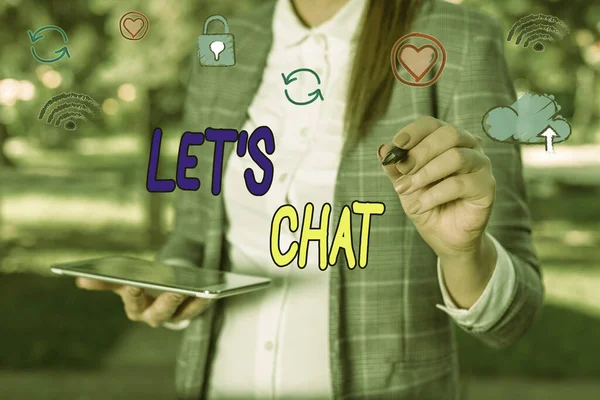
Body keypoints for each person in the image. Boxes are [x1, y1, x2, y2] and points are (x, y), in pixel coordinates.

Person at [77, 0, 544, 398]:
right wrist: (171, 283)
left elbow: (512, 318)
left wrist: (464, 255)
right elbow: (195, 231)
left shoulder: (458, 39)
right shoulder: (224, 41)